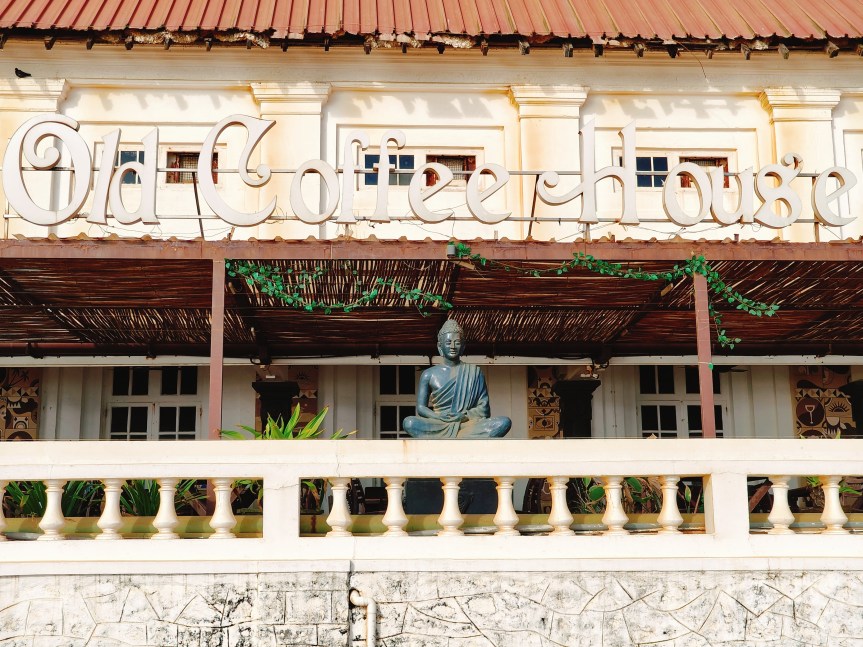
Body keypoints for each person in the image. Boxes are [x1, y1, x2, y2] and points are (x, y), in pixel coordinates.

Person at [403, 319, 511, 438]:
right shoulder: (429, 374)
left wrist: (465, 416)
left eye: (457, 343)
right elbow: (421, 408)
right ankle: (462, 436)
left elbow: (484, 409)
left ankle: (459, 435)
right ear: (440, 346)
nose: (453, 347)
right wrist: (438, 416)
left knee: (503, 422)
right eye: (448, 343)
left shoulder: (475, 372)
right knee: (409, 422)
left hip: (466, 423)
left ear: (463, 346)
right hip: (439, 423)